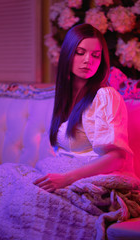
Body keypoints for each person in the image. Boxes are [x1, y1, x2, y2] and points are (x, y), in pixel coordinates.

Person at [34, 23, 133, 192]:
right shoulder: (63, 97)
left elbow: (117, 158)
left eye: (95, 55)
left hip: (91, 181)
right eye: (80, 52)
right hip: (64, 175)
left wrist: (67, 178)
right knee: (4, 175)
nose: (88, 60)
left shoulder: (106, 96)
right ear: (67, 55)